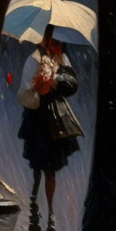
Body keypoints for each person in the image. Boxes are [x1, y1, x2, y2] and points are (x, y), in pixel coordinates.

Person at [17, 26, 82, 213]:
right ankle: (35, 198)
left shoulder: (61, 59)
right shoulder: (34, 60)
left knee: (51, 167)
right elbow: (23, 93)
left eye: (57, 42)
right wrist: (38, 89)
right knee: (38, 163)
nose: (56, 45)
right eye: (52, 41)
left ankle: (51, 210)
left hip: (55, 118)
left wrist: (56, 79)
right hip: (37, 117)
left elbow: (72, 84)